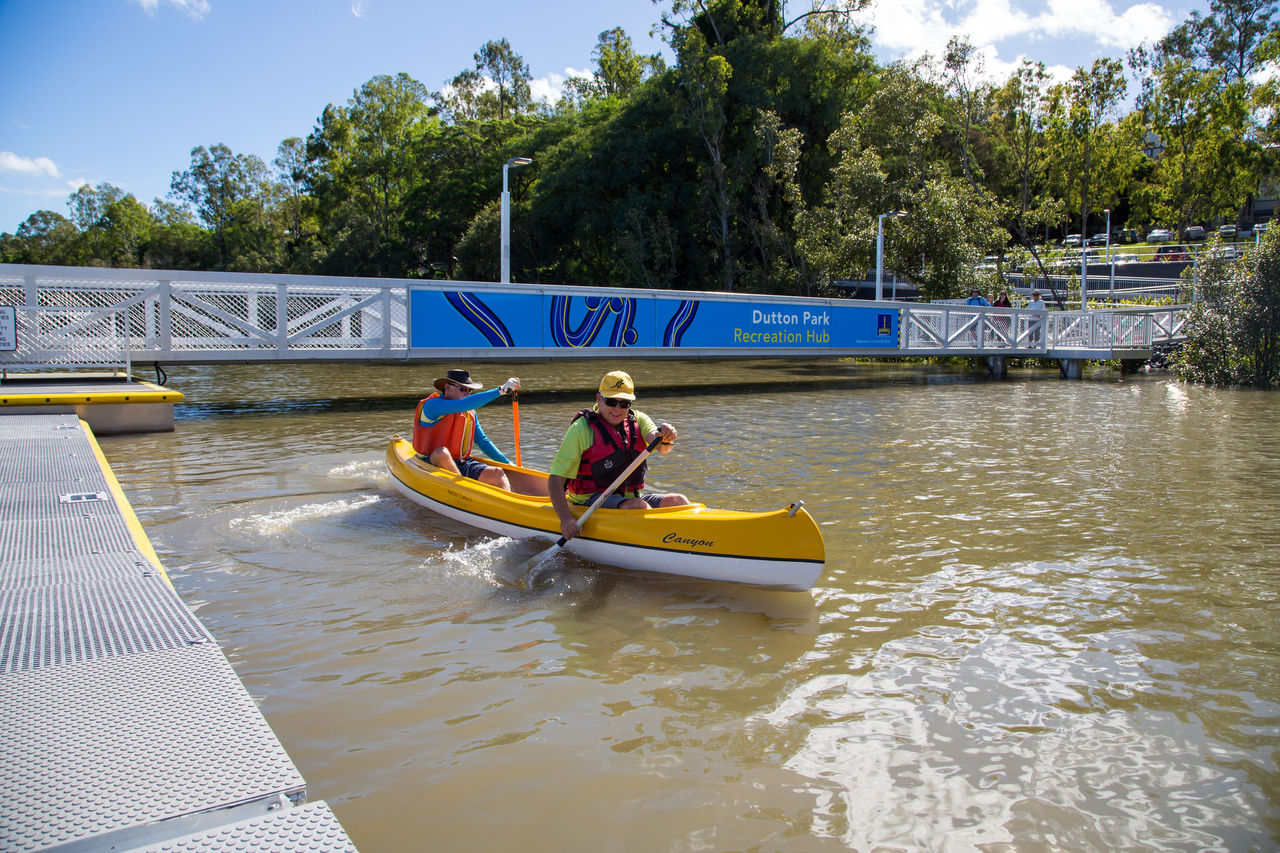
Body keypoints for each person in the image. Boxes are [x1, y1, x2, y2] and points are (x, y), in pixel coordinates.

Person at [547, 370, 689, 541]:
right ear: (599, 399)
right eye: (611, 401)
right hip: (589, 501)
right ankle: (666, 543)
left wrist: (665, 437)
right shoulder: (580, 430)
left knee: (679, 501)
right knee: (639, 506)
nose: (617, 408)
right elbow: (555, 480)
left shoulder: (639, 419)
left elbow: (660, 445)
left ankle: (691, 540)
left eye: (624, 403)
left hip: (628, 498)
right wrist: (566, 519)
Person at [414, 368, 519, 490]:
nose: (467, 393)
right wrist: (501, 390)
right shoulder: (432, 405)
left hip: (460, 463)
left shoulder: (470, 413)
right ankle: (462, 490)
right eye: (463, 389)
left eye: (470, 390)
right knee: (442, 453)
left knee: (498, 473)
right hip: (429, 462)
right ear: (447, 388)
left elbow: (483, 441)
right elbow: (462, 404)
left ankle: (505, 504)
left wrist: (508, 464)